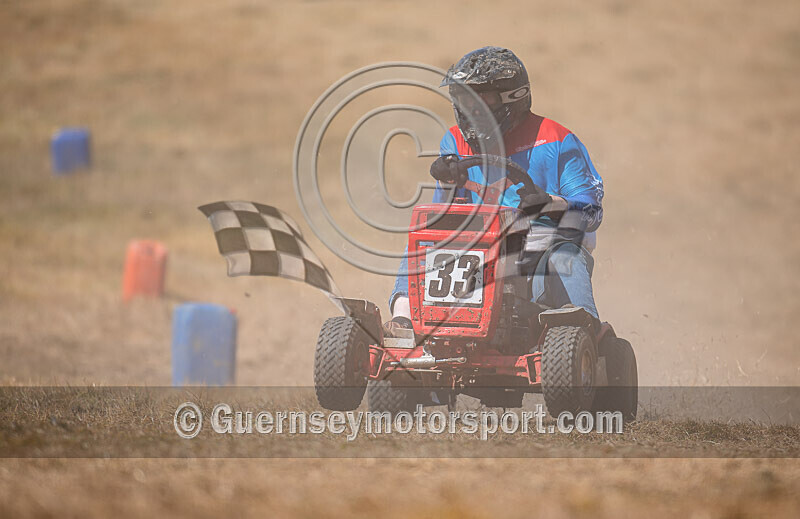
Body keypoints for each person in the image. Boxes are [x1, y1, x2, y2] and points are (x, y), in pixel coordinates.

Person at [385, 46, 604, 336]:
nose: (470, 109)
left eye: (481, 98)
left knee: (565, 255)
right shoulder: (454, 140)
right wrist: (447, 184)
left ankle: (583, 331)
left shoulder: (556, 140)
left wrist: (549, 203)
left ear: (512, 98)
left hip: (541, 246)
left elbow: (591, 213)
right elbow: (445, 217)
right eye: (464, 98)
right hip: (480, 245)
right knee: (423, 240)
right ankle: (404, 322)